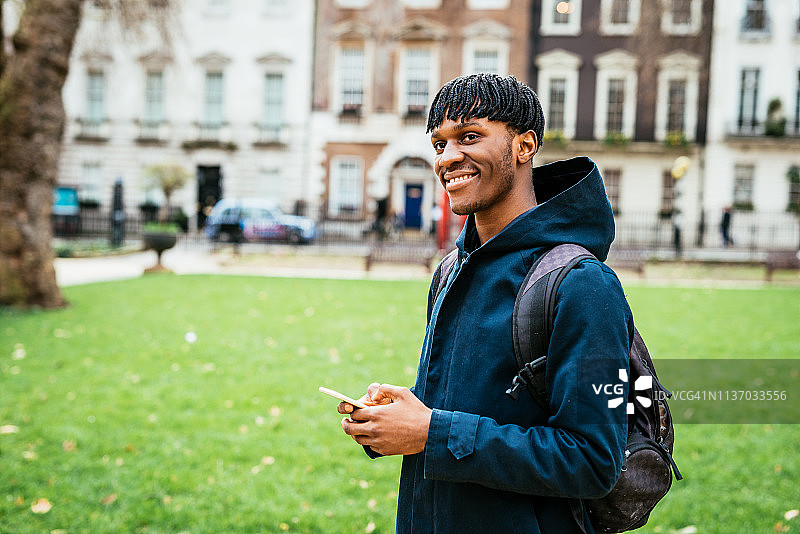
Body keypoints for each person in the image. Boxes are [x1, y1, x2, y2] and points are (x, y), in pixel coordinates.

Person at [337, 73, 633, 533]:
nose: (448, 157)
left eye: (469, 136)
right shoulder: (450, 269)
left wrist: (432, 432)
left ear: (525, 146)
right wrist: (397, 420)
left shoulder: (582, 284)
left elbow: (593, 462)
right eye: (439, 143)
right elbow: (454, 415)